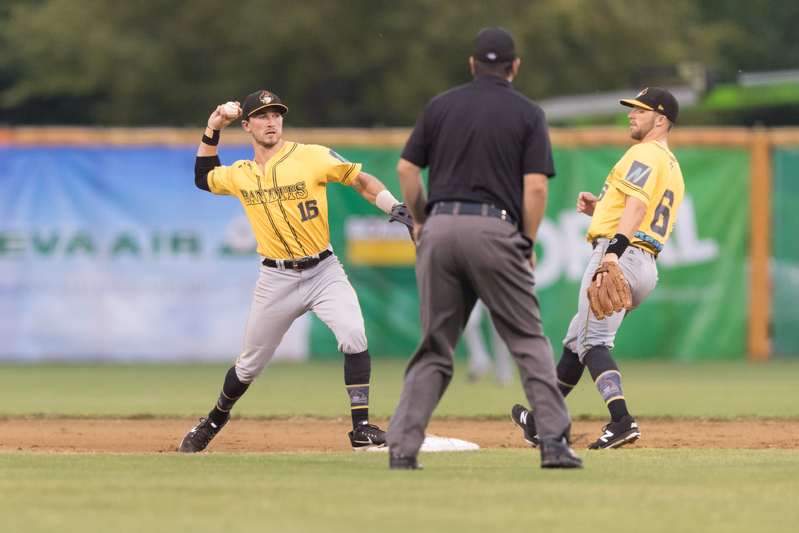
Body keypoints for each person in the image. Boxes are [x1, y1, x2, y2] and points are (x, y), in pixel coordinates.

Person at [386, 27, 582, 470]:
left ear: (472, 65)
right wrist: (527, 242)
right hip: (494, 229)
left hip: (439, 230)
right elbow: (534, 188)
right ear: (514, 67)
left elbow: (406, 169)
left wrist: (420, 220)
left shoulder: (441, 105)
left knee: (435, 348)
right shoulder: (528, 113)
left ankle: (401, 449)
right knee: (528, 340)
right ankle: (553, 442)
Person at [180, 90, 404, 452]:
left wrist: (395, 207)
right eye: (263, 116)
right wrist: (213, 127)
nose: (271, 122)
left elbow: (359, 180)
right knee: (249, 366)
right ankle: (213, 421)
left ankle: (361, 428)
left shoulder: (310, 156)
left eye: (276, 115)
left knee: (353, 334)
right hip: (275, 278)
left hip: (323, 270)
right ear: (248, 125)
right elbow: (203, 177)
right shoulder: (240, 174)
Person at [511, 87, 685, 450]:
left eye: (640, 110)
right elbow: (643, 210)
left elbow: (637, 207)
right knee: (577, 340)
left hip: (619, 255)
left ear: (661, 118)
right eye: (632, 109)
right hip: (646, 264)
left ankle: (621, 420)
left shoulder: (644, 152)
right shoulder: (672, 164)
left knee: (593, 341)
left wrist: (612, 254)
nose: (631, 115)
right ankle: (542, 420)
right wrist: (601, 208)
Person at [464, 300, 513, 386]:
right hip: (474, 289)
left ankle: (503, 371)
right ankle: (480, 361)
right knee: (469, 321)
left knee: (499, 329)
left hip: (495, 290)